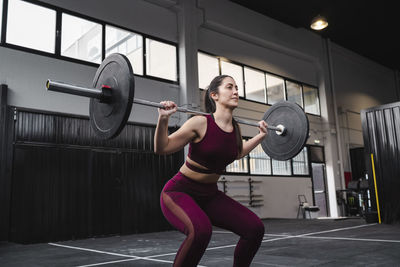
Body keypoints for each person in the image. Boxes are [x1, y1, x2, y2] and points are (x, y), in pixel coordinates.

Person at [154, 75, 268, 267]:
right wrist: (163, 119)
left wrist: (261, 137)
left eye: (237, 88)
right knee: (201, 232)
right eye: (230, 87)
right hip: (179, 192)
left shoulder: (236, 129)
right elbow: (162, 148)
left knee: (254, 228)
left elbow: (238, 152)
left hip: (209, 195)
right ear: (214, 95)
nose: (236, 92)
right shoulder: (200, 122)